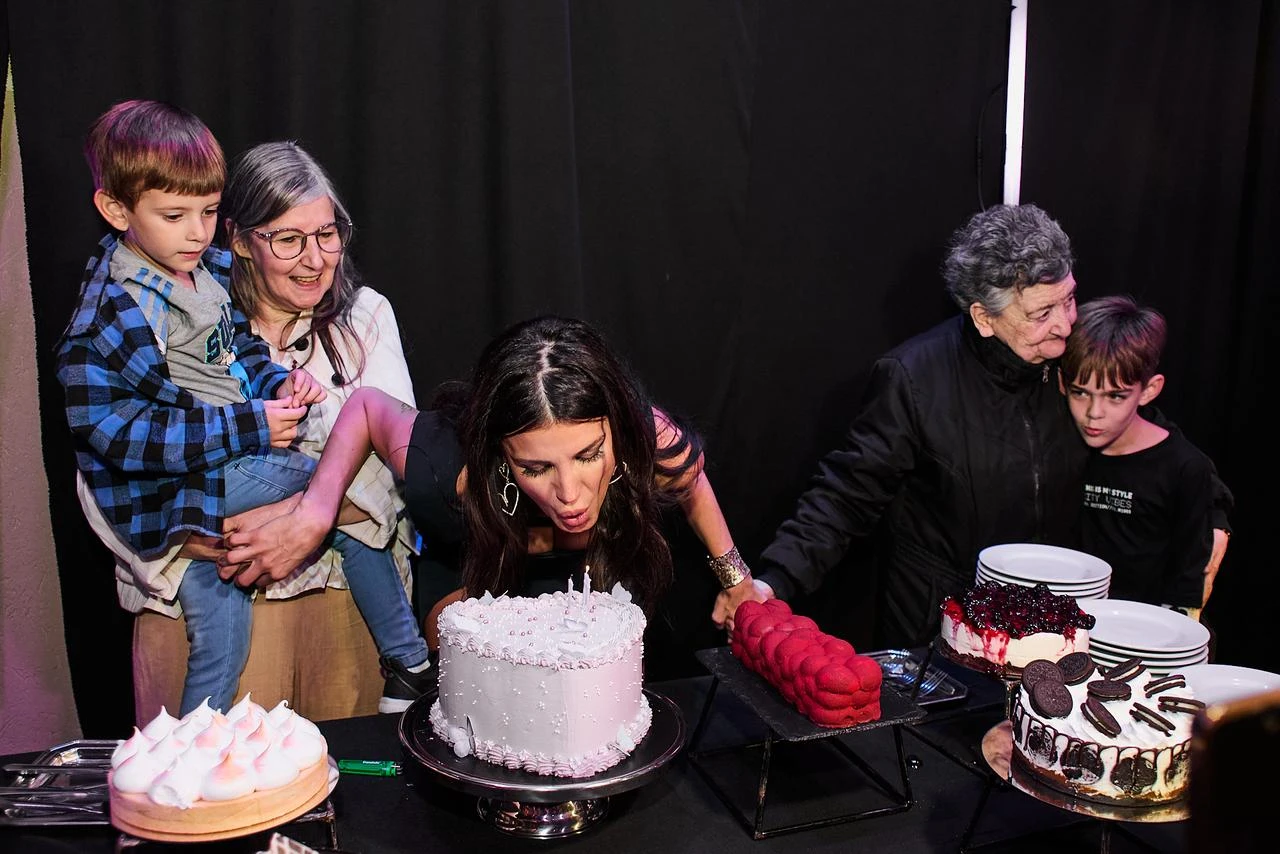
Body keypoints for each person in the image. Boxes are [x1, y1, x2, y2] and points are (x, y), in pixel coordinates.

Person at [58, 102, 430, 716]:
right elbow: (104, 463)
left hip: (339, 616)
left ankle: (406, 662)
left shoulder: (362, 317)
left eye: (328, 233)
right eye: (287, 239)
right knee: (209, 782)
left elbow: (399, 474)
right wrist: (186, 533)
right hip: (190, 595)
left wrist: (304, 517)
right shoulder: (157, 304)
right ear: (243, 240)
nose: (314, 258)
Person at [750, 204, 1230, 648]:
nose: (1066, 325)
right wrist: (772, 582)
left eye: (1069, 300)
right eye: (1043, 314)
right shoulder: (915, 378)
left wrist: (1211, 507)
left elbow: (1147, 433)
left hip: (1056, 625)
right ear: (984, 317)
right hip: (943, 631)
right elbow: (844, 497)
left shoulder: (1067, 352)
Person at [221, 316, 769, 632]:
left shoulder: (645, 440)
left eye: (587, 455)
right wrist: (315, 513)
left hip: (586, 582)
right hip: (478, 568)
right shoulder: (446, 466)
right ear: (502, 456)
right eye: (536, 467)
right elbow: (365, 406)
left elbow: (691, 482)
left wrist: (735, 578)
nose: (570, 494)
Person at [1060, 296, 1218, 613]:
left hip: (1139, 633)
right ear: (1062, 385)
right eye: (1080, 392)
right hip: (1058, 624)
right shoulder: (1057, 444)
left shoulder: (1185, 467)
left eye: (1115, 397)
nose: (1094, 413)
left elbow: (1187, 580)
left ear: (1149, 390)